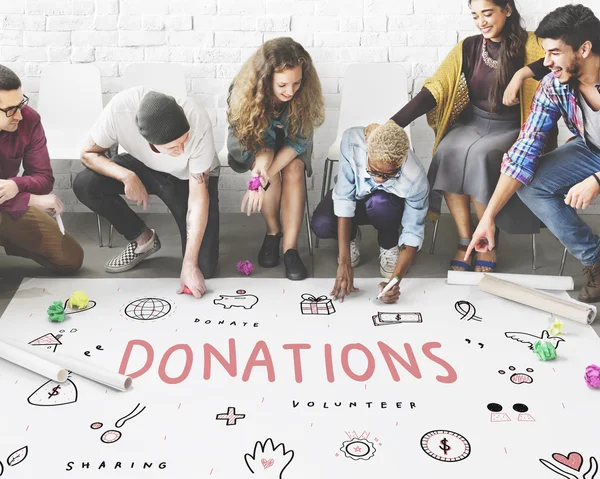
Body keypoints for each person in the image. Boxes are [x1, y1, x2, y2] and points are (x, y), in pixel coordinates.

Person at [389, 0, 557, 273]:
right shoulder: (468, 47)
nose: (482, 22)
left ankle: (487, 242)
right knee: (448, 150)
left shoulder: (533, 43)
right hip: (473, 122)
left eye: (488, 13)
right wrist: (394, 123)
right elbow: (436, 88)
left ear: (508, 9)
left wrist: (522, 74)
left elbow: (557, 60)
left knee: (479, 155)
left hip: (514, 126)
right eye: (476, 15)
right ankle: (465, 239)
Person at [466, 4, 600, 303]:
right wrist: (488, 217)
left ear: (584, 49)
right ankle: (596, 259)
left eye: (554, 52)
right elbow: (525, 148)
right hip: (591, 148)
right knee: (532, 184)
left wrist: (597, 180)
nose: (546, 62)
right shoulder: (554, 86)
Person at [74, 86, 220, 298]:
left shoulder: (197, 119)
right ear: (150, 143)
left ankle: (191, 261)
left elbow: (198, 199)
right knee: (85, 184)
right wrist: (127, 176)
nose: (181, 150)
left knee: (203, 267)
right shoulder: (119, 110)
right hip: (143, 166)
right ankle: (143, 238)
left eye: (184, 140)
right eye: (173, 147)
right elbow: (87, 154)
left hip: (188, 177)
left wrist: (189, 264)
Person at [226, 37, 325, 281]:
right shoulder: (243, 93)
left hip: (292, 143)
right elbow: (258, 145)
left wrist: (264, 175)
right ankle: (273, 232)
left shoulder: (304, 95)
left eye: (297, 83)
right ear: (265, 78)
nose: (290, 91)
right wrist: (262, 170)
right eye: (282, 85)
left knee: (293, 169)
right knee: (267, 170)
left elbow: (299, 141)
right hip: (253, 143)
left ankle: (290, 248)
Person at [311, 121, 429, 303]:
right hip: (355, 199)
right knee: (322, 224)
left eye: (389, 175)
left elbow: (412, 232)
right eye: (373, 170)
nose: (379, 179)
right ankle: (351, 237)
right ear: (367, 153)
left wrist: (394, 282)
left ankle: (388, 243)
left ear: (401, 162)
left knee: (380, 201)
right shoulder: (352, 142)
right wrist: (344, 262)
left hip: (386, 209)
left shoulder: (415, 179)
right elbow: (344, 198)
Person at [0, 64, 83, 273]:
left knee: (71, 257)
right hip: (14, 202)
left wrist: (15, 185)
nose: (19, 115)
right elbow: (35, 195)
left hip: (9, 204)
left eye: (20, 104)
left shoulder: (29, 119)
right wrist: (31, 199)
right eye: (10, 110)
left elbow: (44, 178)